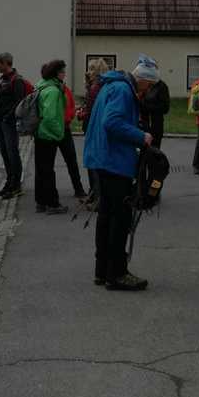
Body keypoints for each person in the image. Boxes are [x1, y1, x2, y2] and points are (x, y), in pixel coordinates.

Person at [83, 56, 157, 291]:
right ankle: (117, 273)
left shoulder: (113, 85)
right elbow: (112, 122)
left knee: (106, 215)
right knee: (120, 218)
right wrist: (141, 136)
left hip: (102, 157)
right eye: (149, 85)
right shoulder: (124, 90)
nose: (147, 91)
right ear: (142, 80)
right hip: (114, 160)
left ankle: (102, 270)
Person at [33, 60, 69, 215]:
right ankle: (52, 203)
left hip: (40, 133)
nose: (64, 74)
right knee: (48, 170)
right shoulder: (53, 91)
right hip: (49, 135)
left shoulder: (41, 86)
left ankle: (41, 202)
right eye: (62, 71)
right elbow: (50, 116)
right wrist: (59, 133)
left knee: (41, 169)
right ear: (56, 73)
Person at [0, 52, 27, 199]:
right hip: (0, 122)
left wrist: (8, 117)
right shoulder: (1, 80)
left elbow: (19, 102)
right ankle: (9, 182)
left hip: (10, 123)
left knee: (12, 153)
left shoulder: (17, 80)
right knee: (5, 153)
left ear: (5, 63)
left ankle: (16, 185)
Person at [78, 58, 110, 202]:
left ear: (98, 72)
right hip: (98, 127)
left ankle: (97, 197)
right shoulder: (101, 86)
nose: (88, 72)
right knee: (96, 163)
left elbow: (91, 111)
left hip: (93, 128)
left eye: (91, 69)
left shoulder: (96, 88)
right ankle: (94, 195)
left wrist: (82, 114)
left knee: (93, 163)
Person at [58, 67, 88, 201]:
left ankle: (78, 188)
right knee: (70, 160)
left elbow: (70, 106)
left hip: (64, 128)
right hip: (57, 129)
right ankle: (78, 189)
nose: (64, 74)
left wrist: (68, 118)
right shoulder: (55, 89)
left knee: (71, 160)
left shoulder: (65, 89)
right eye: (62, 72)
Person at [141, 61, 171, 150]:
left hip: (156, 126)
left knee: (154, 151)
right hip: (144, 126)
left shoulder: (162, 86)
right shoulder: (144, 84)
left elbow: (165, 108)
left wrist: (147, 106)